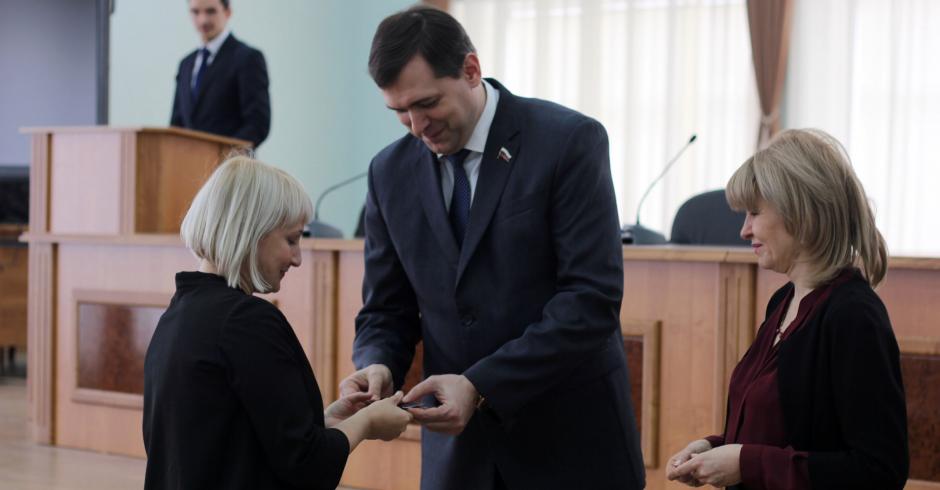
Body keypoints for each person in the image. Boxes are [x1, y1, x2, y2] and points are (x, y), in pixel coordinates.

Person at [339, 6, 645, 490]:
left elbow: (590, 300)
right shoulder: (388, 173)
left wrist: (481, 385)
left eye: (427, 103)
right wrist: (377, 362)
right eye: (399, 111)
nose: (416, 125)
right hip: (459, 459)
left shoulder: (568, 141)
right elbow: (385, 308)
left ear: (470, 69)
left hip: (570, 446)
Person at [143, 156, 413, 490]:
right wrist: (368, 422)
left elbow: (235, 439)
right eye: (292, 240)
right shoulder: (246, 321)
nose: (297, 259)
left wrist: (328, 422)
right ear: (252, 230)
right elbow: (307, 464)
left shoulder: (177, 315)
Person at [666, 129, 909, 489]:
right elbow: (785, 434)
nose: (744, 231)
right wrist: (714, 449)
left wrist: (746, 463)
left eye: (754, 213)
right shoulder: (783, 301)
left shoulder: (854, 316)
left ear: (801, 214)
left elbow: (879, 471)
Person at [170, 0, 271, 147]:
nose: (203, 20)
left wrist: (222, 156)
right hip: (188, 160)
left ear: (228, 12)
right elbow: (176, 125)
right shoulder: (185, 64)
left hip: (231, 160)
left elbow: (257, 124)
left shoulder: (248, 58)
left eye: (211, 11)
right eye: (195, 12)